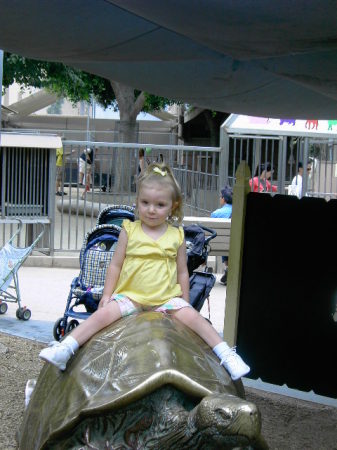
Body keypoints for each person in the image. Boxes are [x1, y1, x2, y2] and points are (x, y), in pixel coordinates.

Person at [39, 163, 250, 381]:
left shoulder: (176, 235)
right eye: (145, 203)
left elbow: (182, 272)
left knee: (196, 320)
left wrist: (185, 300)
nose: (151, 209)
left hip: (166, 299)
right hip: (131, 297)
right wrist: (107, 295)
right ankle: (67, 348)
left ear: (173, 206)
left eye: (160, 204)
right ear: (137, 202)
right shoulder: (129, 231)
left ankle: (226, 354)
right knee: (100, 316)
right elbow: (116, 265)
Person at [211, 186, 233, 285]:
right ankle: (229, 269)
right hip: (236, 244)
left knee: (225, 241)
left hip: (218, 244)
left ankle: (227, 268)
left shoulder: (216, 214)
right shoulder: (242, 211)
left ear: (223, 199)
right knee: (229, 241)